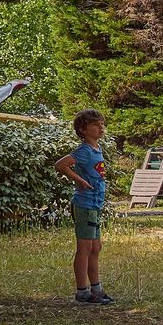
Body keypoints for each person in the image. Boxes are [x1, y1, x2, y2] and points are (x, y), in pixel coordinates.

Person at [54, 109, 113, 305]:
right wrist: (79, 181)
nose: (100, 127)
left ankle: (96, 288)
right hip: (84, 204)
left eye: (101, 124)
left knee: (96, 247)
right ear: (83, 129)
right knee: (85, 248)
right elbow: (61, 165)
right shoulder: (84, 151)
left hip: (95, 204)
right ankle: (82, 291)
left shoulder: (97, 148)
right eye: (96, 125)